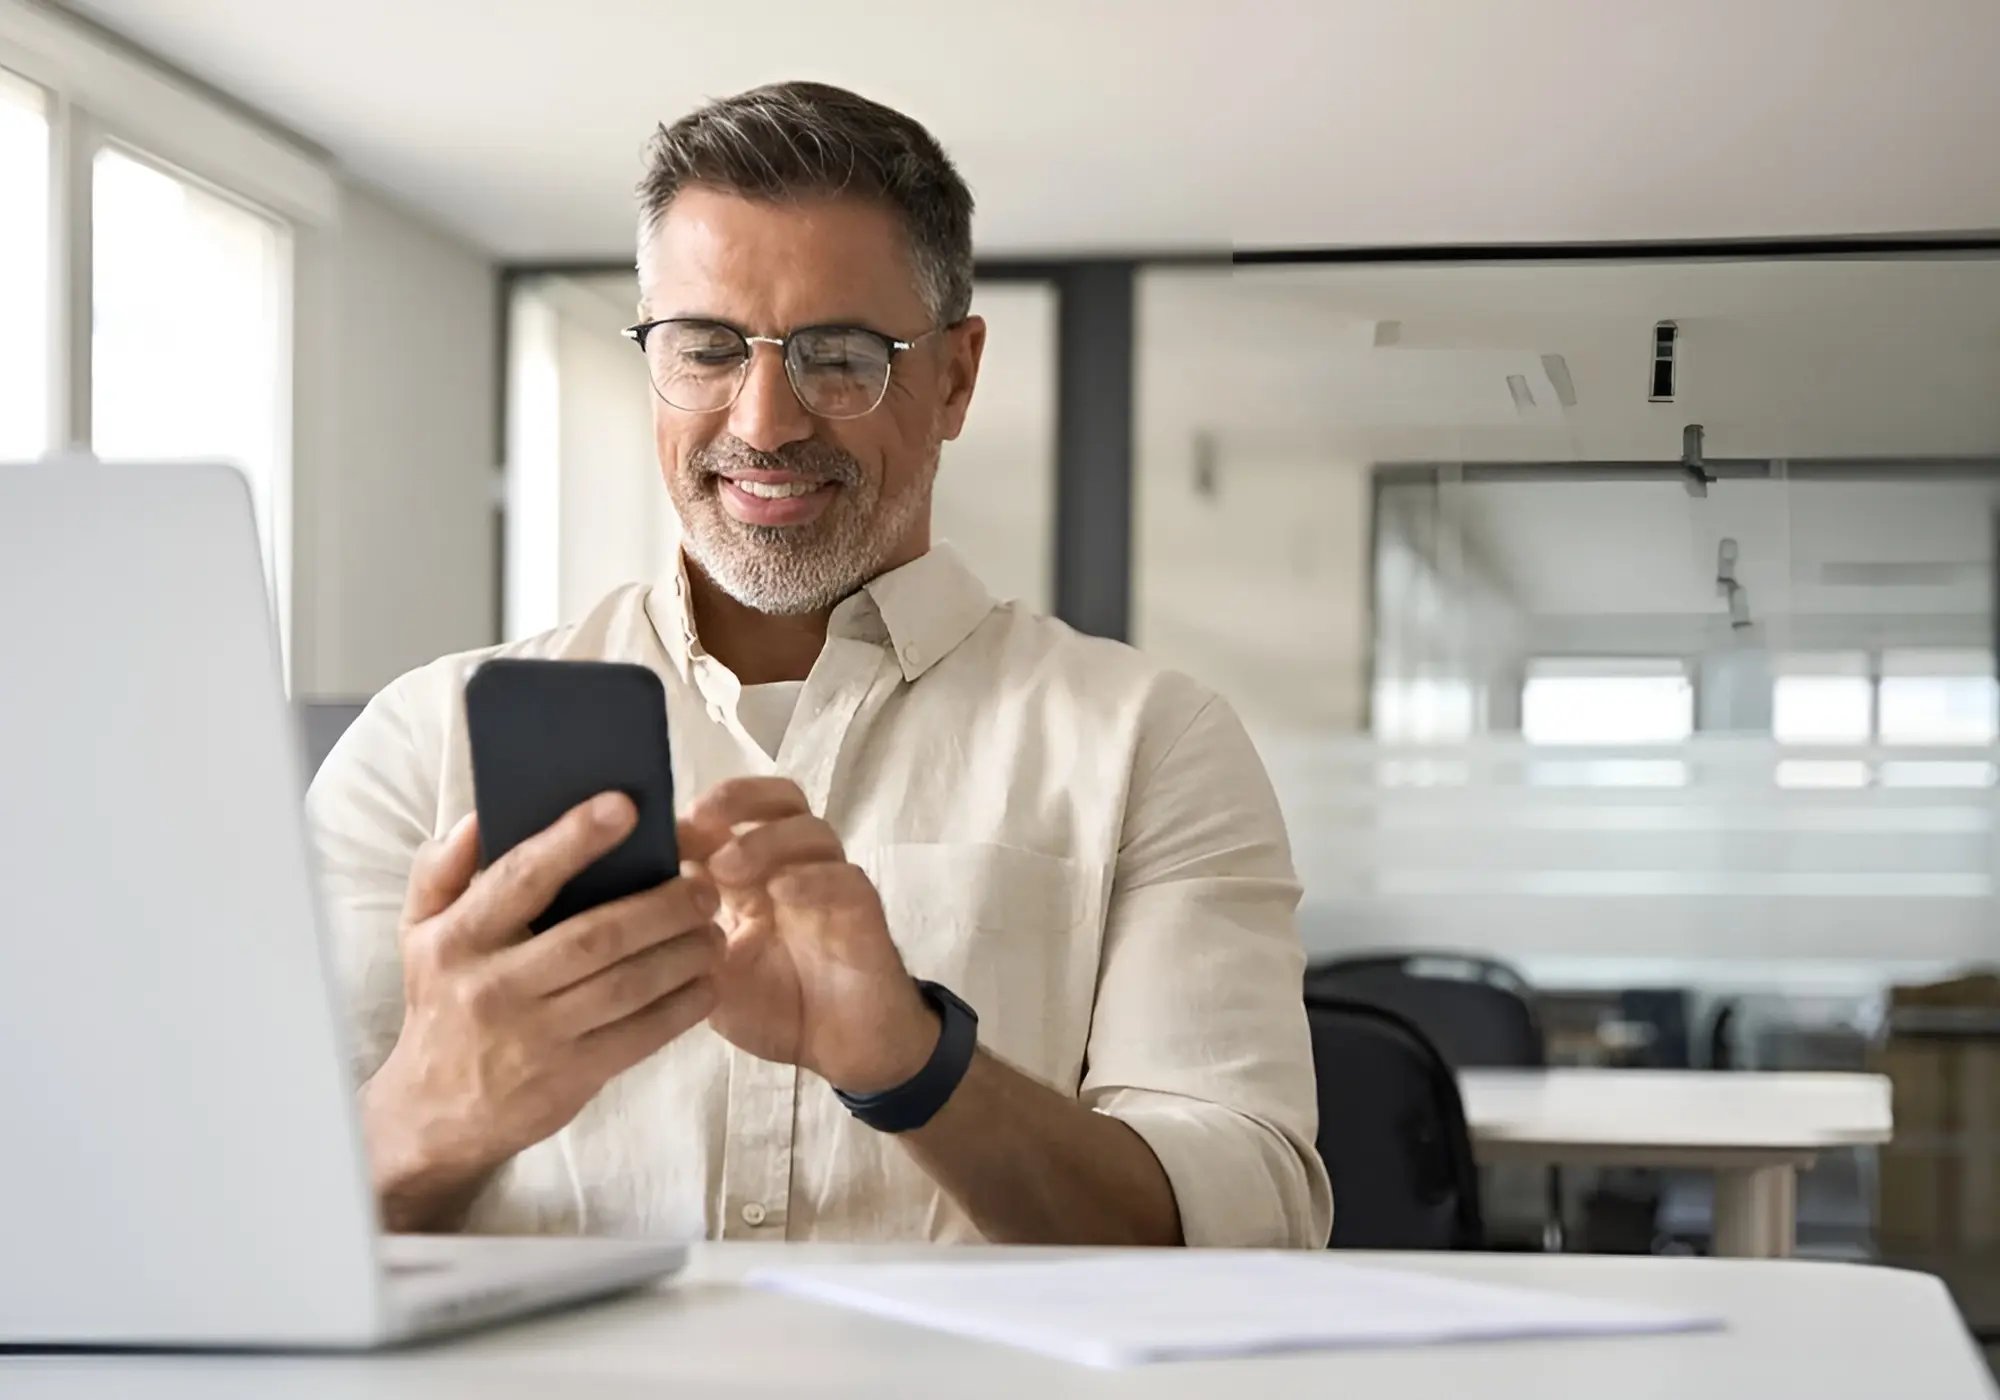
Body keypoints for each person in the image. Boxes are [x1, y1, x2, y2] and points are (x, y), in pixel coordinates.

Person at [308, 80, 1331, 1249]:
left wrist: (909, 1060)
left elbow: (1250, 1225)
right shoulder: (422, 740)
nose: (762, 420)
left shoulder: (1150, 739)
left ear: (953, 376)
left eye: (838, 356)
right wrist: (442, 1101)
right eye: (702, 349)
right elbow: (237, 1227)